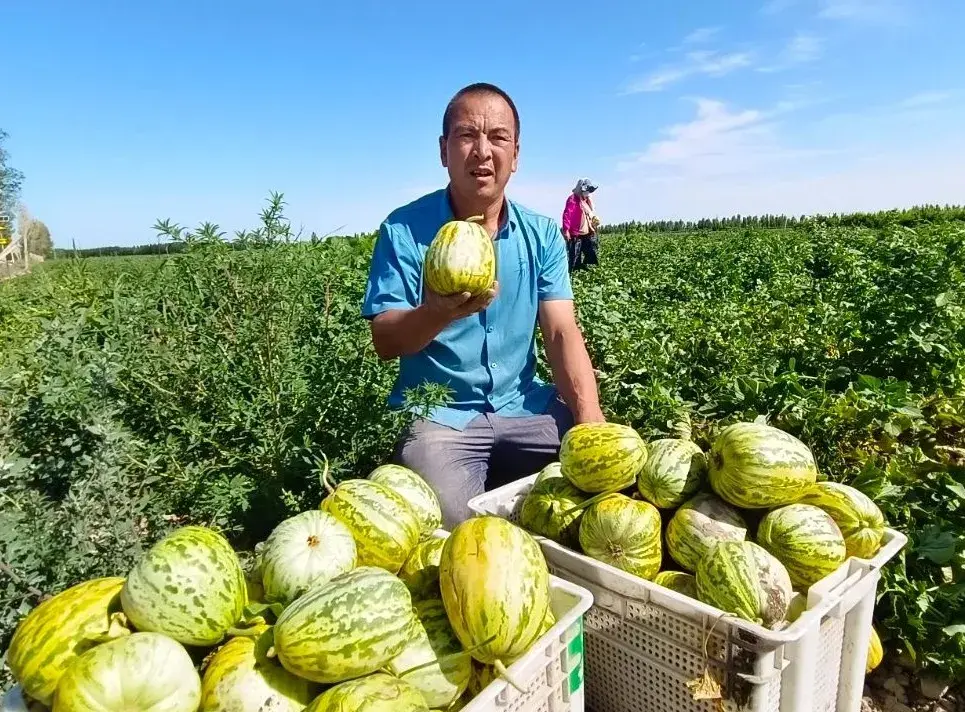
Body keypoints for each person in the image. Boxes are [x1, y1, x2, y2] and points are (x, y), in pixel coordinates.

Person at [361, 82, 606, 527]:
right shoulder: (403, 230)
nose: (482, 151)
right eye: (466, 136)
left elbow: (560, 332)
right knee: (458, 523)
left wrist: (589, 420)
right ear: (443, 150)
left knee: (607, 486)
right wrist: (435, 311)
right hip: (440, 419)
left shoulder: (543, 233)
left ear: (516, 154)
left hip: (527, 408)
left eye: (498, 137)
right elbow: (385, 340)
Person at [561, 179, 600, 270]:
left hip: (587, 232)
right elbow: (567, 214)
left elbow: (589, 214)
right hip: (576, 233)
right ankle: (574, 271)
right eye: (586, 191)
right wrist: (566, 230)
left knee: (590, 251)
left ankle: (587, 268)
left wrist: (594, 222)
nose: (587, 193)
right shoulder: (572, 199)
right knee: (575, 254)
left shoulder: (586, 200)